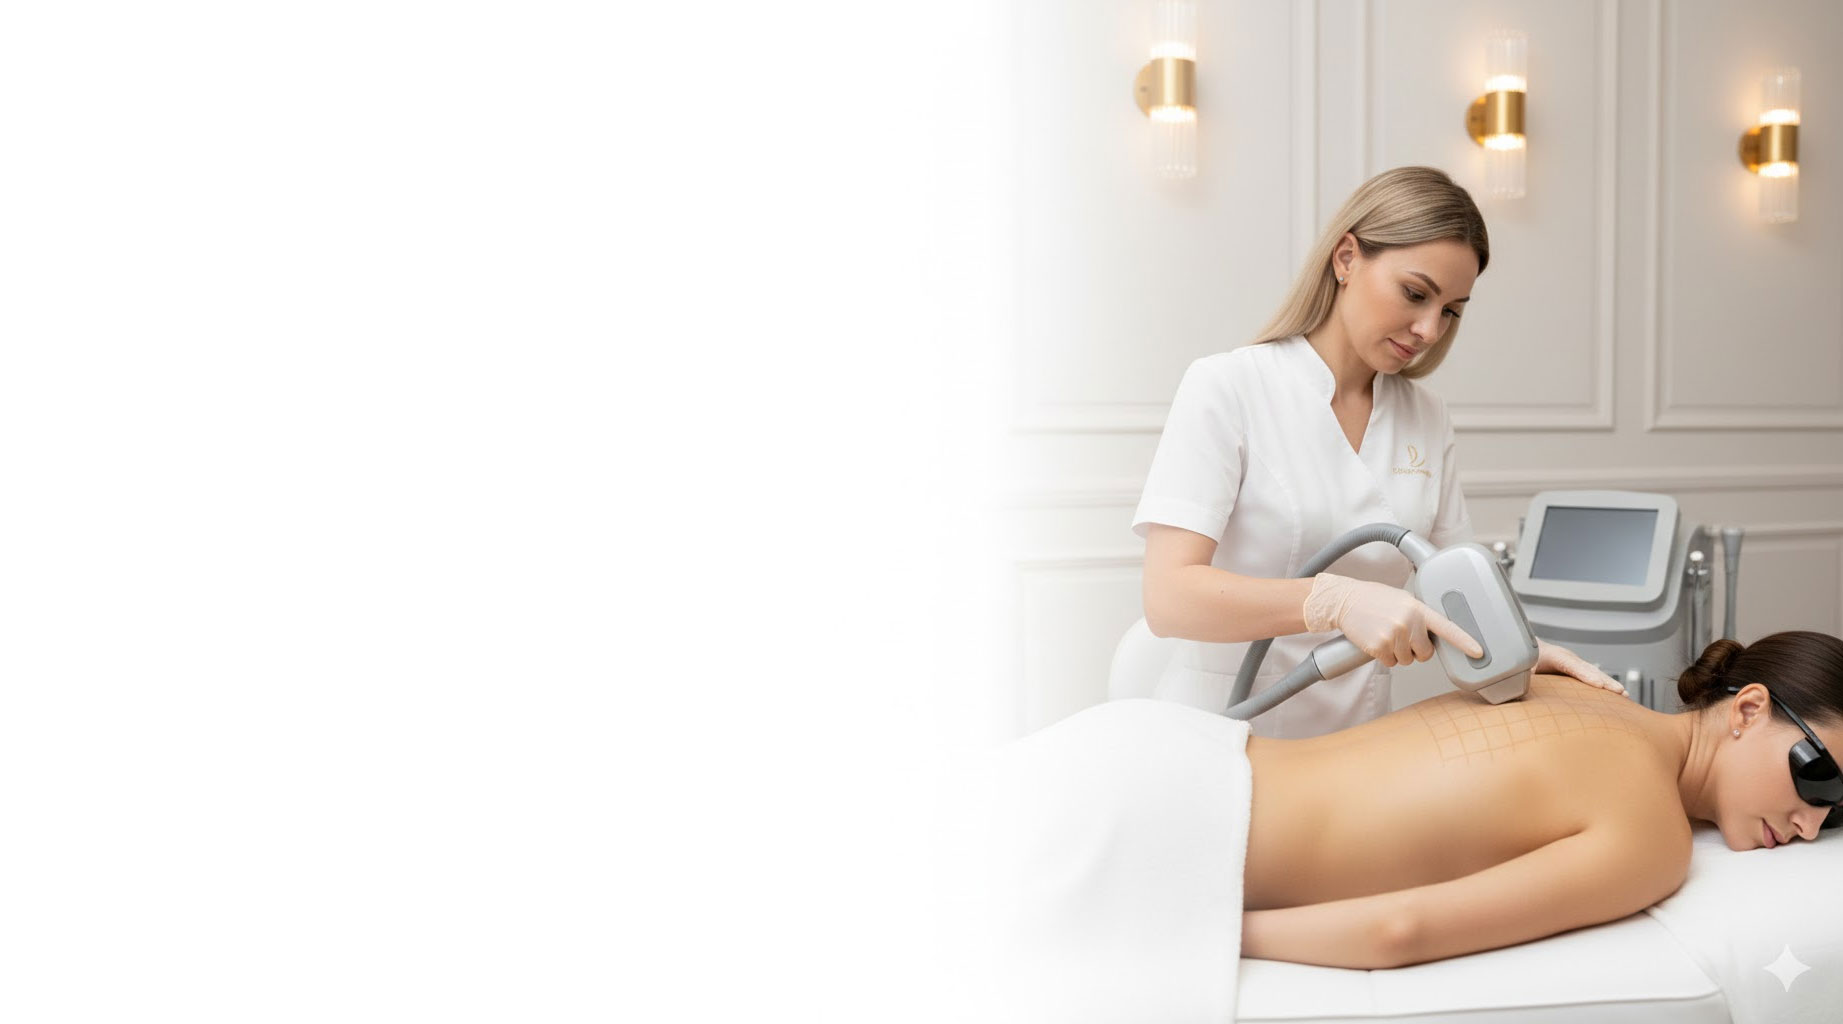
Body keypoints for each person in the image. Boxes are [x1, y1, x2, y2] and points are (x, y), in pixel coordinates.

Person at [1134, 165, 1622, 738]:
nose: (1430, 329)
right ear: (1346, 258)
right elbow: (1168, 598)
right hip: (1219, 735)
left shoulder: (1426, 417)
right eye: (1415, 294)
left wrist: (1529, 653)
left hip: (1357, 745)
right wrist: (1333, 601)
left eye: (1451, 310)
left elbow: (1463, 591)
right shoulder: (1229, 386)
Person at [1237, 630, 1843, 968]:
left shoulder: (1568, 683)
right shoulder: (1653, 840)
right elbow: (1396, 932)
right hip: (1205, 836)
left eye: (1839, 810)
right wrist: (1216, 930)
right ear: (1748, 709)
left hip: (1209, 753)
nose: (1812, 825)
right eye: (1818, 776)